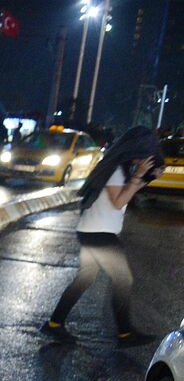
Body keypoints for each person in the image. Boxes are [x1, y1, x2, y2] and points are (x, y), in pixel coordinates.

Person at [42, 126, 164, 346]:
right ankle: (125, 334)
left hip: (92, 230)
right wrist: (138, 176)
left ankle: (54, 324)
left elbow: (126, 192)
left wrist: (145, 178)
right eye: (144, 155)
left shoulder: (120, 167)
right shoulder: (115, 169)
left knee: (85, 278)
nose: (145, 159)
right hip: (99, 234)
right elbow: (119, 201)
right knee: (123, 279)